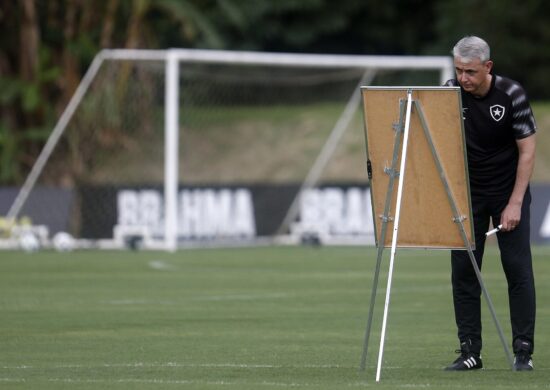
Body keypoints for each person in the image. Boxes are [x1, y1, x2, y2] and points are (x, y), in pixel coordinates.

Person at [443, 36, 537, 371]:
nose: (463, 78)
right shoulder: (450, 92)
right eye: (458, 70)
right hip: (468, 196)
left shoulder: (511, 94)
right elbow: (442, 145)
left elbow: (527, 150)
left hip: (507, 191)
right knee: (464, 272)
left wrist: (514, 204)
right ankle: (469, 351)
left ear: (488, 67)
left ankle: (523, 352)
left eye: (470, 71)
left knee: (517, 270)